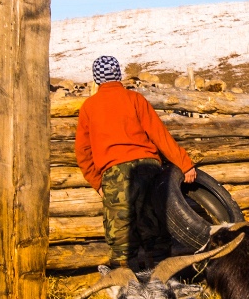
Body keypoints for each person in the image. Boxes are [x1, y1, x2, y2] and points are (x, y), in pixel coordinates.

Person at [74, 55, 198, 270]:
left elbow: (82, 151)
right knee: (156, 230)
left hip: (115, 174)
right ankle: (164, 284)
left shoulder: (89, 106)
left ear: (97, 78)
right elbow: (160, 135)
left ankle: (126, 291)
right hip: (148, 169)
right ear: (118, 75)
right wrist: (184, 163)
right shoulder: (135, 99)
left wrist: (97, 182)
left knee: (121, 238)